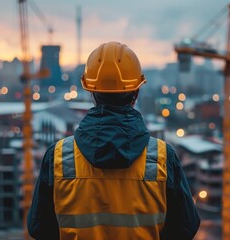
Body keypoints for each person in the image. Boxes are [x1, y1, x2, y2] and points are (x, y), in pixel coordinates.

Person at [27, 41, 200, 240]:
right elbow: (186, 227)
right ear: (136, 92)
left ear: (92, 93)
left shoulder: (57, 157)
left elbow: (38, 228)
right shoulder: (162, 157)